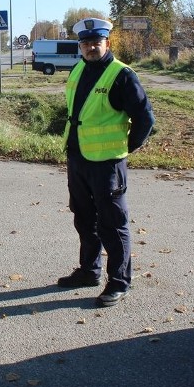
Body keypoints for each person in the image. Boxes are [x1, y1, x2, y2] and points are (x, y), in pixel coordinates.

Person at [56, 18, 155, 307]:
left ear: (107, 43)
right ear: (80, 46)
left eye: (96, 42)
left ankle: (120, 281)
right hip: (78, 158)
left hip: (107, 164)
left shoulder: (121, 75)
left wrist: (126, 148)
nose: (91, 47)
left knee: (113, 224)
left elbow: (145, 119)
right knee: (84, 219)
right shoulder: (78, 69)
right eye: (85, 43)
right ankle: (89, 271)